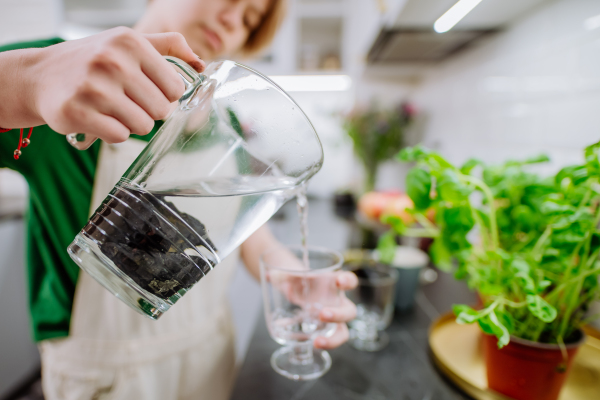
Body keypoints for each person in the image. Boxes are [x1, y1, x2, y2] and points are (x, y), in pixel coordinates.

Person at [0, 1, 358, 399]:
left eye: (250, 19)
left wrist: (292, 277)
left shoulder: (228, 122)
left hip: (208, 355)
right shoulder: (66, 80)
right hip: (106, 371)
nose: (232, 20)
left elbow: (241, 229)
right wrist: (22, 84)